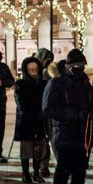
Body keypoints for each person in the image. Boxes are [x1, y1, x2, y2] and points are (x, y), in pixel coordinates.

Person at [43, 49, 93, 184]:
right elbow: (48, 109)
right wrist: (75, 114)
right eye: (75, 65)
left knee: (79, 170)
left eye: (82, 66)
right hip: (64, 133)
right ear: (68, 66)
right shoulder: (56, 83)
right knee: (63, 171)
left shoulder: (84, 81)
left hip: (83, 133)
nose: (79, 68)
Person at [14, 56, 48, 184]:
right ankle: (25, 173)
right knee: (26, 149)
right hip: (26, 121)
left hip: (40, 121)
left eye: (35, 68)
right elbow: (21, 103)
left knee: (38, 149)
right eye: (30, 69)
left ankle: (36, 172)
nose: (33, 71)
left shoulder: (43, 83)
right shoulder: (20, 84)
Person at [34, 47, 55, 177]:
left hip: (50, 110)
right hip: (39, 112)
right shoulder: (35, 71)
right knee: (41, 140)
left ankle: (48, 164)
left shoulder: (51, 71)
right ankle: (43, 166)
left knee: (53, 137)